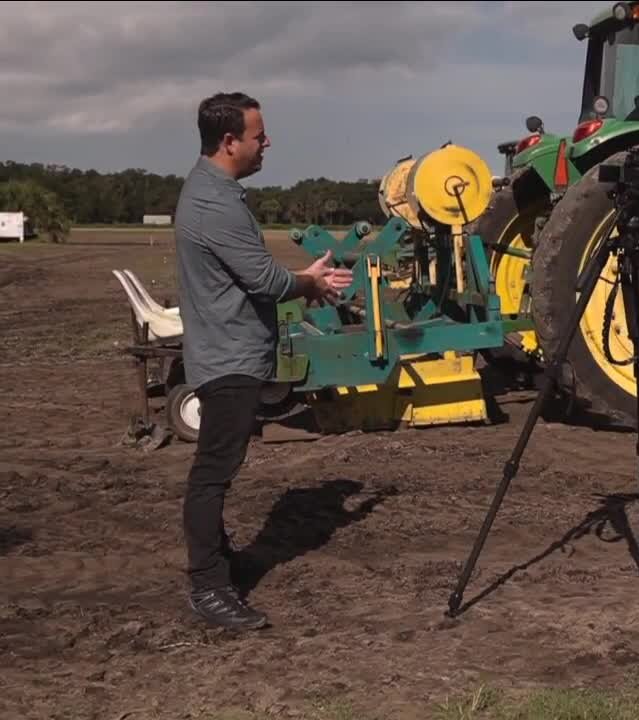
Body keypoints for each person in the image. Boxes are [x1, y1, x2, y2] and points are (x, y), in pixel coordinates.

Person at [174, 91, 352, 630]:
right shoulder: (215, 204)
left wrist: (307, 285)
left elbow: (255, 276)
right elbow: (266, 280)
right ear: (229, 141)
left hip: (228, 350)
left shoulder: (214, 192)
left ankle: (218, 561)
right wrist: (309, 281)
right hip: (227, 357)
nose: (266, 142)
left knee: (218, 468)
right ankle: (208, 586)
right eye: (258, 135)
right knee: (213, 473)